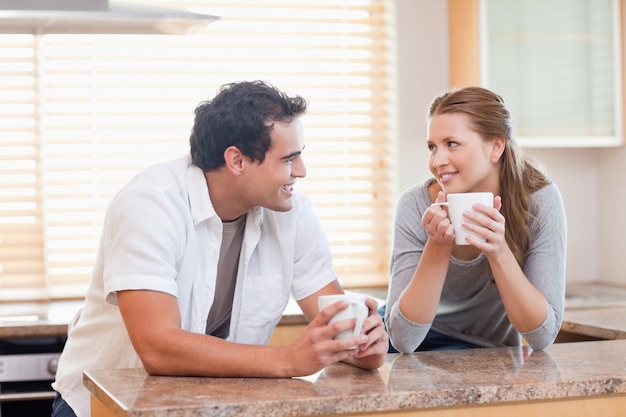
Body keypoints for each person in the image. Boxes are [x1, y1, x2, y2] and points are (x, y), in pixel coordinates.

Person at [51, 80, 388, 417]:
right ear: (237, 160)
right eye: (289, 159)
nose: (301, 171)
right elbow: (157, 347)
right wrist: (287, 359)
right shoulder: (149, 203)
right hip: (101, 405)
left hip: (208, 403)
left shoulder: (293, 213)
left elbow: (337, 324)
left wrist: (363, 345)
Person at [383, 86, 566, 353]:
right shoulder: (415, 205)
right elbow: (403, 340)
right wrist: (438, 245)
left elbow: (542, 337)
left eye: (452, 144)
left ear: (495, 147)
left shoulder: (538, 202)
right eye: (432, 147)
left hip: (487, 348)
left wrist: (499, 251)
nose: (437, 161)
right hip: (417, 340)